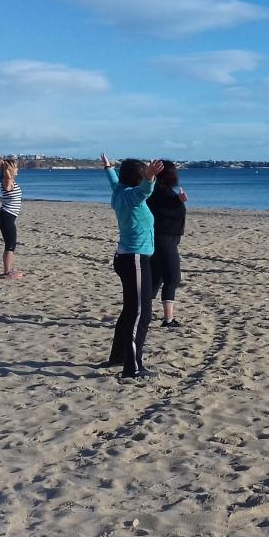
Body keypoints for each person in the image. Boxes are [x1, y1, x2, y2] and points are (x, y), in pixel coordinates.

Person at [101, 152, 163, 381]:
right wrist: (150, 178)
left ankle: (118, 357)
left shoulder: (120, 192)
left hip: (128, 257)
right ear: (137, 178)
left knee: (130, 311)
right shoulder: (131, 197)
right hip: (135, 258)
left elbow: (114, 182)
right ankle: (133, 368)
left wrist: (108, 168)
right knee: (141, 314)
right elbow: (145, 191)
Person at [147, 161, 187, 328]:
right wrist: (177, 201)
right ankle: (168, 319)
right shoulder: (159, 191)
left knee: (157, 277)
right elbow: (161, 209)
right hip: (165, 240)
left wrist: (178, 199)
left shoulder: (159, 190)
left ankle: (144, 312)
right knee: (172, 278)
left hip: (162, 239)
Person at [0, 158, 24, 279]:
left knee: (11, 244)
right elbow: (7, 185)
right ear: (10, 169)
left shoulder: (9, 180)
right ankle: (7, 272)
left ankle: (8, 270)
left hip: (7, 216)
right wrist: (7, 169)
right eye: (16, 167)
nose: (18, 169)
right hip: (6, 216)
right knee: (10, 244)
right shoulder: (7, 181)